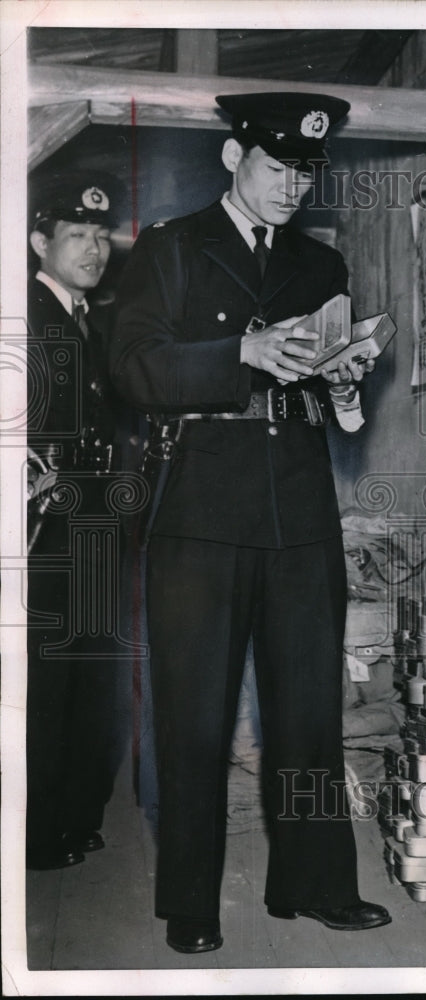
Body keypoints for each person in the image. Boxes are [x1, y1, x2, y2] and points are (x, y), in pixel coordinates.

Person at [109, 91, 391, 954]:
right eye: (277, 168)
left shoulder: (320, 264)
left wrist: (343, 383)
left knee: (308, 711)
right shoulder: (171, 248)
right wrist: (241, 352)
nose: (292, 188)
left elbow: (331, 394)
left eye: (306, 174)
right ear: (235, 159)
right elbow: (133, 367)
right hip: (199, 507)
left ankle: (314, 883)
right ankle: (192, 902)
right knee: (193, 715)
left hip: (299, 509)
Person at [26, 176, 123, 870]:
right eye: (77, 235)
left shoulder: (89, 319)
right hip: (44, 525)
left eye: (101, 236)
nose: (94, 249)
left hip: (93, 515)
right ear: (41, 242)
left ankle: (74, 815)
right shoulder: (23, 313)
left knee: (91, 672)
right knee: (46, 678)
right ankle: (36, 832)